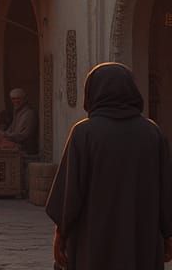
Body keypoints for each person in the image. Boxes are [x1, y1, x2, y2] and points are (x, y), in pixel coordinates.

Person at [47, 62, 172, 270]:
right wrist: (167, 233)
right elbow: (165, 191)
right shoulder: (152, 134)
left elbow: (70, 195)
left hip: (93, 243)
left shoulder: (84, 134)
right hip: (141, 240)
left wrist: (60, 234)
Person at [4, 87, 38, 154]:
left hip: (26, 150)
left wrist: (5, 136)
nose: (16, 101)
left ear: (24, 99)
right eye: (13, 99)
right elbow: (11, 128)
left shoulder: (29, 113)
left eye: (18, 98)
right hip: (17, 146)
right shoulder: (18, 112)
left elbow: (25, 135)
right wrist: (2, 134)